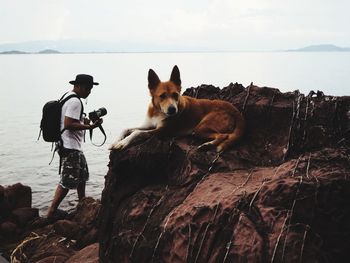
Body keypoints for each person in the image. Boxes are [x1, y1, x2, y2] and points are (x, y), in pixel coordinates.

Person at [47, 74, 103, 218]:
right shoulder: (75, 102)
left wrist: (85, 121)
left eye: (90, 88)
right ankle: (51, 211)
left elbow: (70, 120)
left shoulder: (68, 96)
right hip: (69, 146)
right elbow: (68, 124)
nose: (89, 91)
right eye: (87, 88)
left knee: (82, 176)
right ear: (78, 86)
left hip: (71, 146)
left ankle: (81, 204)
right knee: (67, 181)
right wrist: (89, 127)